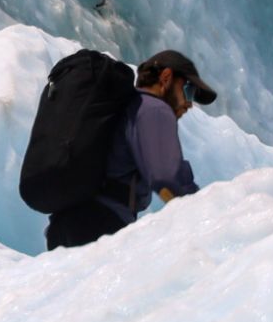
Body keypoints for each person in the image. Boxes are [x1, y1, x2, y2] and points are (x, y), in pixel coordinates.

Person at [44, 49, 216, 250]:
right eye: (188, 91)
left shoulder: (123, 106)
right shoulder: (154, 109)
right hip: (101, 225)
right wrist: (207, 213)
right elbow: (166, 176)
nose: (189, 103)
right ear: (166, 78)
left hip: (63, 225)